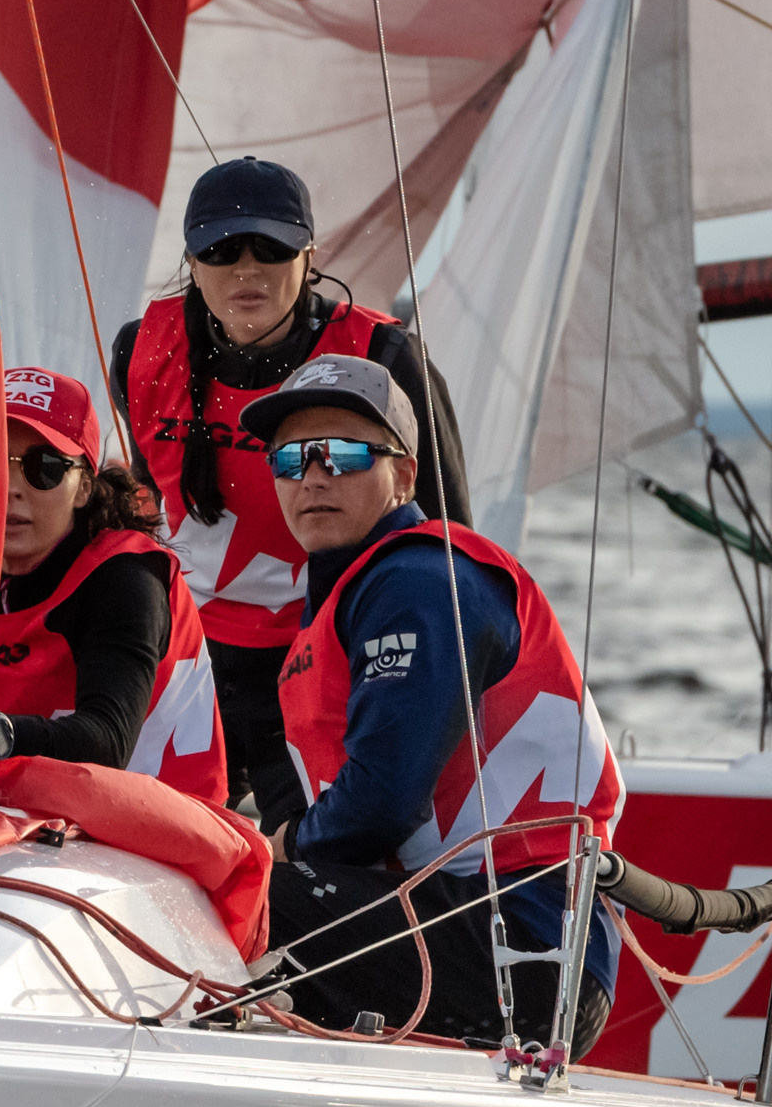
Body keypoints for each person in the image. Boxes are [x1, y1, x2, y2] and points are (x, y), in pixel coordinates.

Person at [240, 354, 617, 1055]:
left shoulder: (417, 578)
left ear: (405, 475)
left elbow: (381, 801)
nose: (315, 475)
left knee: (228, 895)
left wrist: (275, 847)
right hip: (471, 933)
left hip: (520, 946)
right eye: (291, 459)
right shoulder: (350, 593)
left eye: (346, 454)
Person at [109, 156, 470, 832]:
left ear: (309, 255)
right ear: (191, 260)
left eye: (270, 247)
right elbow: (149, 505)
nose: (246, 268)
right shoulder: (138, 352)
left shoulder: (384, 360)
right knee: (132, 849)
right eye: (220, 249)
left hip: (320, 666)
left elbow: (451, 551)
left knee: (318, 876)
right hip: (191, 666)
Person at [0, 366, 227, 803]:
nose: (11, 489)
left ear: (84, 488)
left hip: (155, 827)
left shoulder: (126, 578)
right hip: (41, 814)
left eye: (42, 468)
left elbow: (107, 741)